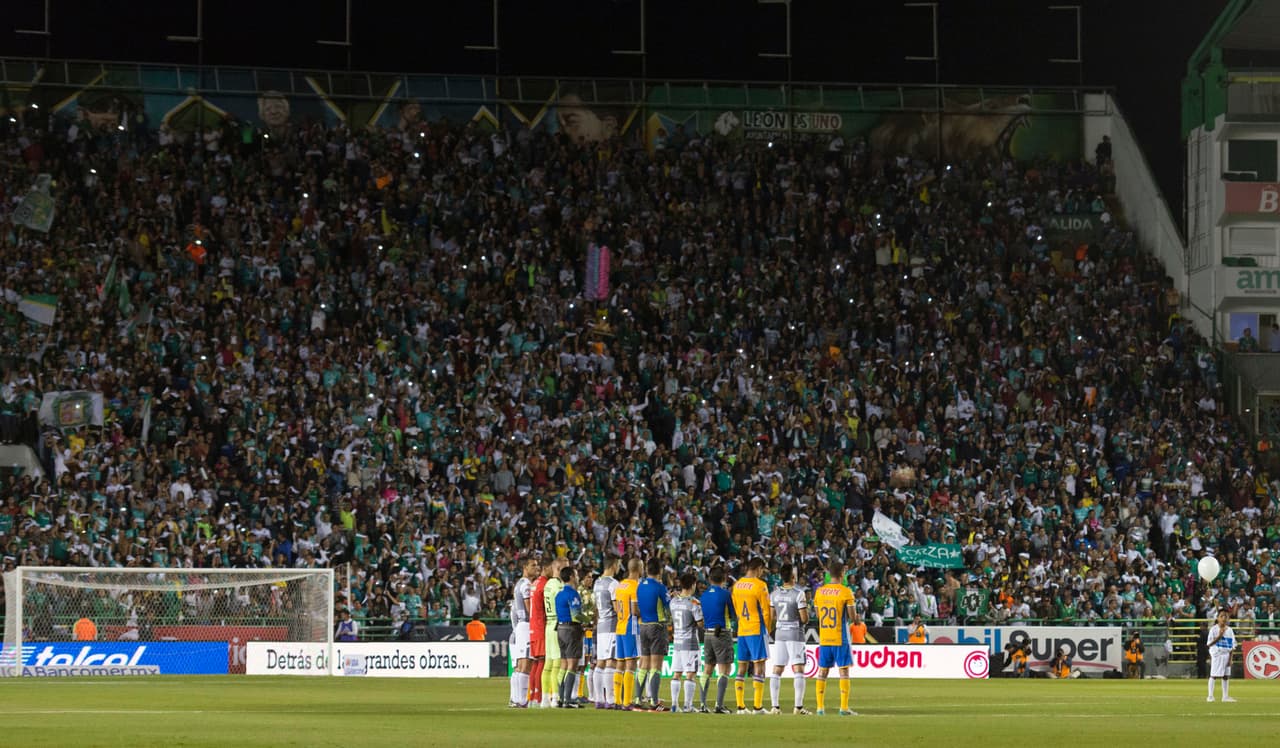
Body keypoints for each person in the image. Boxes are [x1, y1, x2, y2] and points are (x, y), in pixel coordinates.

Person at [813, 559, 857, 716]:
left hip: (824, 637)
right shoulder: (846, 592)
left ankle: (820, 708)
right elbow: (852, 617)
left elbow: (818, 615)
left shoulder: (819, 591)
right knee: (843, 671)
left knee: (822, 671)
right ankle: (843, 708)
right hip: (840, 637)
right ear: (842, 574)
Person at [731, 556, 772, 714]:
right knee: (759, 666)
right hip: (756, 629)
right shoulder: (760, 585)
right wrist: (768, 629)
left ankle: (740, 707)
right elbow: (766, 611)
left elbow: (736, 608)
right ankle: (757, 707)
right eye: (762, 570)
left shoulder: (737, 585)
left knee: (741, 667)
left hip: (742, 630)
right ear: (758, 568)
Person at [768, 563, 811, 715]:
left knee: (777, 668)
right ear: (793, 576)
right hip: (795, 634)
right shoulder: (799, 594)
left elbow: (772, 616)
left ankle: (775, 707)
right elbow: (804, 619)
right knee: (798, 668)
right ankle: (798, 707)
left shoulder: (774, 594)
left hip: (780, 633)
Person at [699, 565, 736, 714]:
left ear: (709, 579)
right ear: (724, 579)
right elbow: (732, 615)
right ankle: (718, 705)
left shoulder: (703, 595)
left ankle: (702, 704)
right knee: (724, 669)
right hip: (722, 633)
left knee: (707, 668)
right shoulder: (725, 594)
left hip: (707, 634)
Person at [635, 557, 671, 710]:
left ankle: (637, 699)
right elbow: (668, 606)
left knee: (643, 664)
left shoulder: (640, 586)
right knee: (656, 666)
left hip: (643, 626)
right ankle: (654, 702)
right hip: (657, 626)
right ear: (660, 571)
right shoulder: (660, 587)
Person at [668, 572, 704, 713]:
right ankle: (688, 706)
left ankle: (674, 704)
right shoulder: (694, 603)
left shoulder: (673, 602)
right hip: (690, 643)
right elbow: (700, 623)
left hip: (677, 642)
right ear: (693, 585)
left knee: (677, 673)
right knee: (690, 673)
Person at [592, 555, 622, 709]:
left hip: (601, 625)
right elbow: (617, 608)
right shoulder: (613, 583)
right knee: (611, 661)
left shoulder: (597, 583)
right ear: (614, 565)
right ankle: (610, 699)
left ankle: (598, 699)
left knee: (600, 662)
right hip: (611, 625)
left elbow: (596, 608)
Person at [554, 565, 586, 709]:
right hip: (571, 630)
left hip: (560, 629)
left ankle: (560, 698)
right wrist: (589, 621)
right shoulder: (573, 594)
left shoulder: (559, 594)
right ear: (572, 577)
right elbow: (576, 615)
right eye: (576, 575)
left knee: (564, 664)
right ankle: (568, 700)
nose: (578, 577)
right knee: (572, 665)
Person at [613, 558, 642, 710]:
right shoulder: (635, 586)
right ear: (639, 569)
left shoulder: (620, 585)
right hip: (631, 626)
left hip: (619, 626)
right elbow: (635, 611)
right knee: (631, 663)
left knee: (620, 663)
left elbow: (617, 607)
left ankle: (617, 700)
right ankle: (627, 702)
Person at [509, 558, 538, 708]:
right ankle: (521, 700)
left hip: (520, 627)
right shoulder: (526, 584)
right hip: (526, 626)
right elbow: (530, 608)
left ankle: (515, 699)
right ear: (525, 567)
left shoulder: (519, 583)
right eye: (533, 565)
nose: (536, 568)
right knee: (526, 665)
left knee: (520, 666)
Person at [542, 555, 567, 707]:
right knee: (557, 663)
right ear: (558, 568)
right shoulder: (558, 586)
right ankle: (555, 698)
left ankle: (545, 698)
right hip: (558, 624)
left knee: (548, 663)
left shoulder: (548, 584)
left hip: (549, 624)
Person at [527, 557, 552, 707]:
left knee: (535, 663)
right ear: (546, 568)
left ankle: (532, 697)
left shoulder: (534, 583)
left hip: (533, 627)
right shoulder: (544, 585)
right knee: (542, 662)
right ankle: (538, 697)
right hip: (541, 626)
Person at [1207, 610, 1237, 702]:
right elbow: (1209, 644)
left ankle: (1225, 696)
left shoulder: (1230, 630)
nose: (1224, 618)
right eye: (1221, 616)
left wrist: (1230, 659)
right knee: (1213, 675)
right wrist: (1219, 636)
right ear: (1218, 618)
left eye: (1225, 616)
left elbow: (1232, 646)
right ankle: (1210, 696)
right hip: (1217, 654)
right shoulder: (1213, 629)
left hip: (1226, 654)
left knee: (1226, 676)